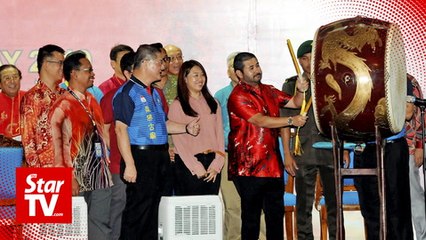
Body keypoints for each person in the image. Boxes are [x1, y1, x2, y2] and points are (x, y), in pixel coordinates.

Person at [113, 44, 200, 240]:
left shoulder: (154, 92)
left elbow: (163, 124)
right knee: (138, 212)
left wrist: (186, 127)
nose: (163, 66)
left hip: (159, 156)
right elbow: (120, 129)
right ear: (146, 63)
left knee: (155, 212)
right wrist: (130, 164)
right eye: (160, 62)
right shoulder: (127, 92)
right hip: (140, 156)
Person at [228, 52, 308, 240]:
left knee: (275, 217)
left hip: (272, 166)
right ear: (239, 73)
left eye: (257, 65)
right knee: (251, 219)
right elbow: (261, 120)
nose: (257, 70)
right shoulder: (237, 96)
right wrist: (290, 121)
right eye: (251, 67)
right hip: (248, 167)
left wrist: (300, 90)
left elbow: (295, 102)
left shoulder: (269, 90)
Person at [281, 40, 345, 240]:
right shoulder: (291, 84)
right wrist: (287, 154)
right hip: (304, 152)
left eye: (312, 57)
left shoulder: (331, 82)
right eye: (304, 58)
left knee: (335, 205)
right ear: (299, 61)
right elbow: (283, 122)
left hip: (330, 150)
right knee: (303, 206)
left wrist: (343, 148)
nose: (309, 62)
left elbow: (342, 118)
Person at [49, 51, 113, 240]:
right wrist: (68, 176)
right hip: (76, 174)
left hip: (99, 172)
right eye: (88, 70)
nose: (93, 74)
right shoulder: (62, 105)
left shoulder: (92, 100)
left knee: (101, 222)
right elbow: (58, 146)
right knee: (75, 227)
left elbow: (101, 134)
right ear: (74, 74)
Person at [354, 80, 413, 240]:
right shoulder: (359, 78)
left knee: (396, 206)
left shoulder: (400, 77)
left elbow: (408, 112)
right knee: (370, 207)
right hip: (366, 148)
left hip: (392, 148)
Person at [168, 60, 224, 195]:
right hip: (188, 164)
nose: (200, 79)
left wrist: (218, 163)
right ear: (185, 79)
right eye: (195, 75)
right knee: (190, 211)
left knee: (209, 210)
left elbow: (219, 136)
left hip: (212, 164)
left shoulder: (213, 103)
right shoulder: (178, 105)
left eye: (202, 75)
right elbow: (180, 143)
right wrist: (195, 167)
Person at [100, 50, 134, 240]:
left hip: (139, 162)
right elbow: (104, 129)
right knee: (118, 208)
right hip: (117, 163)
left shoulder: (149, 94)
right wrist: (113, 156)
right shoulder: (111, 94)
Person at [21, 44, 65, 167]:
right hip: (45, 173)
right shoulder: (32, 97)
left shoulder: (65, 95)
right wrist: (39, 174)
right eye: (60, 63)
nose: (63, 68)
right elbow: (28, 142)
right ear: (46, 64)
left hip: (70, 169)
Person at [405, 74, 426, 240]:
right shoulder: (376, 78)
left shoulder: (410, 81)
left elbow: (421, 114)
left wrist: (420, 146)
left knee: (414, 194)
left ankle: (423, 235)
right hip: (383, 146)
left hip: (409, 146)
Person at [0, 64, 25, 140]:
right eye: (7, 78)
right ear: (0, 84)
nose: (12, 81)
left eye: (15, 77)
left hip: (28, 147)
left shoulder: (31, 98)